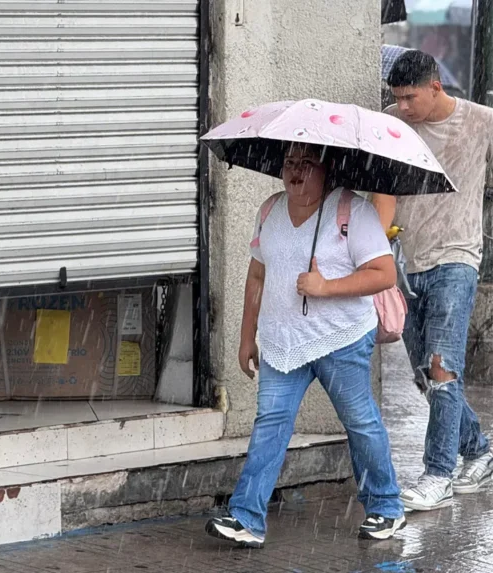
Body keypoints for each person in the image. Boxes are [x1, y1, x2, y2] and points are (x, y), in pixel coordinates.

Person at [206, 144, 405, 548]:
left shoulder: (353, 212)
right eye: (289, 164)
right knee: (270, 424)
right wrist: (247, 336)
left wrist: (326, 287)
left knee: (360, 423)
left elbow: (384, 274)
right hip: (283, 342)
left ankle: (386, 505)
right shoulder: (270, 210)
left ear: (327, 168)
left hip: (342, 339)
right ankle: (247, 517)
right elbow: (257, 276)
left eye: (307, 164)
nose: (295, 172)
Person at [373, 50, 493, 511]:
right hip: (406, 263)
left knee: (442, 367)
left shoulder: (480, 121)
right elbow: (381, 191)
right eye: (396, 97)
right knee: (426, 377)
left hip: (457, 259)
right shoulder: (392, 123)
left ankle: (437, 475)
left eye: (409, 97)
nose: (403, 107)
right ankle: (479, 451)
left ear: (436, 87)